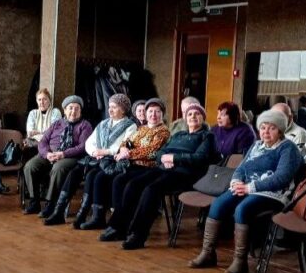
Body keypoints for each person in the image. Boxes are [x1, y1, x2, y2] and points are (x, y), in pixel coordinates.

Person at [190, 110, 303, 273]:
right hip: (246, 188)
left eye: (271, 128)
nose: (266, 132)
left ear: (280, 130)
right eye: (263, 127)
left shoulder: (288, 148)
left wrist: (250, 188)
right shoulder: (257, 145)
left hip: (273, 193)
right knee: (218, 204)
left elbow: (281, 178)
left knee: (242, 209)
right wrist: (236, 181)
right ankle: (208, 253)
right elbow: (241, 168)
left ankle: (240, 262)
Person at [100, 102, 217, 250]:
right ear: (185, 118)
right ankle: (118, 227)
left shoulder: (207, 136)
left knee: (151, 190)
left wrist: (173, 158)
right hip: (164, 169)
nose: (193, 117)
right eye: (189, 114)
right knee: (133, 184)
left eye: (197, 114)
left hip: (184, 174)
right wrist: (163, 158)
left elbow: (199, 158)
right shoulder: (179, 134)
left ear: (203, 118)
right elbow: (160, 152)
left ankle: (138, 235)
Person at [76, 97, 171, 231]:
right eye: (150, 111)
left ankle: (118, 221)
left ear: (162, 114)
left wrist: (128, 154)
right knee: (100, 177)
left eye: (157, 112)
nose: (153, 115)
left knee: (118, 180)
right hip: (132, 164)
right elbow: (127, 142)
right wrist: (124, 148)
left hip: (148, 167)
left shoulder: (163, 131)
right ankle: (99, 218)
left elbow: (151, 152)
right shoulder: (142, 129)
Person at [48, 94, 136, 223]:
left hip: (112, 161)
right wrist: (94, 151)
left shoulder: (130, 126)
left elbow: (123, 145)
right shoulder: (103, 123)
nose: (110, 110)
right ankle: (58, 212)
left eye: (114, 107)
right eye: (109, 107)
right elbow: (89, 142)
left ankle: (83, 214)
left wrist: (105, 152)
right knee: (74, 173)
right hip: (96, 158)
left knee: (91, 176)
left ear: (123, 109)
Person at [21, 97, 93, 222]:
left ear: (80, 111)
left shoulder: (85, 125)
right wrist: (47, 154)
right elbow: (43, 141)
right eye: (70, 108)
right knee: (30, 166)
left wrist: (63, 154)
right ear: (64, 110)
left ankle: (51, 204)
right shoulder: (57, 123)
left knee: (58, 168)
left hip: (70, 156)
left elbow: (83, 146)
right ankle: (34, 202)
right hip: (50, 154)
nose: (73, 111)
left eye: (77, 108)